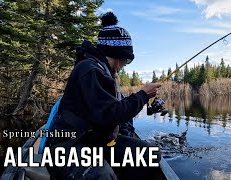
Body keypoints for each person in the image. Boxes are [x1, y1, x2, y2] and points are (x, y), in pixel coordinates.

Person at [46, 12, 162, 179]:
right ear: (118, 55)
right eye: (126, 60)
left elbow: (118, 114)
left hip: (95, 141)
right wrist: (143, 95)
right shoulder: (89, 70)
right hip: (68, 146)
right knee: (101, 175)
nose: (124, 65)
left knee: (149, 154)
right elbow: (110, 114)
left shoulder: (105, 73)